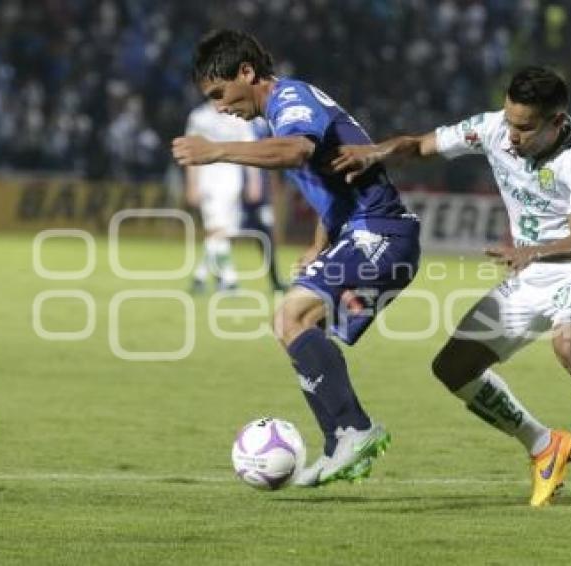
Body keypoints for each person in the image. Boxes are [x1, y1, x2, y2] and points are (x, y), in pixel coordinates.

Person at [332, 66, 571, 507]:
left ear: (557, 122)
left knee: (570, 346)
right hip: (529, 272)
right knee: (453, 368)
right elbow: (421, 145)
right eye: (509, 120)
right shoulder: (492, 128)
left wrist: (532, 252)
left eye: (525, 127)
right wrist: (375, 152)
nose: (512, 135)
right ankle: (543, 445)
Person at [172, 29, 421, 486]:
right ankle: (339, 443)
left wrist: (217, 151)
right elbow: (332, 185)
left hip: (382, 232)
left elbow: (297, 151)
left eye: (220, 93)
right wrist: (319, 243)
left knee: (290, 319)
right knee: (301, 332)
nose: (220, 107)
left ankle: (355, 430)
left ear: (247, 72)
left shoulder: (290, 99)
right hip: (364, 232)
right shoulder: (271, 119)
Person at [184, 101, 260, 293]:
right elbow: (190, 151)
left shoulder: (238, 115)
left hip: (232, 179)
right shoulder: (199, 117)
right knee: (217, 229)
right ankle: (229, 279)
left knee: (223, 231)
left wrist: (253, 180)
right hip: (208, 178)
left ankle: (201, 277)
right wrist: (192, 183)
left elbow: (250, 149)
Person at [240, 117, 288, 293]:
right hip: (236, 186)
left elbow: (273, 156)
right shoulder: (234, 121)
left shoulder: (263, 123)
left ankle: (275, 280)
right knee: (223, 231)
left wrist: (271, 187)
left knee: (265, 233)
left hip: (260, 190)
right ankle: (212, 276)